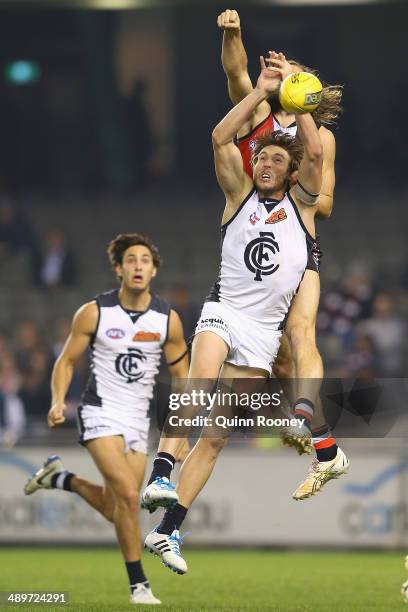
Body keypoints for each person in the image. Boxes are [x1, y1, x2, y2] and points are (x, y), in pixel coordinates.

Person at [143, 55, 348, 575]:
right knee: (198, 379)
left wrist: (303, 98)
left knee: (214, 437)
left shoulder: (302, 208)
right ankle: (163, 469)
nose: (266, 164)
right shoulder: (237, 197)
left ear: (293, 169)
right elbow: (218, 139)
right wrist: (260, 91)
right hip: (225, 312)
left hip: (262, 334)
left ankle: (167, 533)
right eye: (262, 159)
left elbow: (318, 155)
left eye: (278, 161)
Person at [217, 9, 346, 497]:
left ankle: (307, 420)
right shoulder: (256, 117)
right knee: (279, 363)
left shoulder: (320, 138)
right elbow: (235, 72)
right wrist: (234, 34)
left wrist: (303, 195)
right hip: (250, 239)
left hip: (296, 238)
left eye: (291, 72)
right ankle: (310, 434)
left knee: (301, 334)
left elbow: (326, 202)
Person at [24, 233, 189, 605]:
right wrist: (56, 400)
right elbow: (65, 361)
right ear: (118, 268)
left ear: (154, 270)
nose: (137, 266)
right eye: (130, 260)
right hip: (99, 412)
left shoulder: (168, 320)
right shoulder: (94, 312)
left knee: (120, 507)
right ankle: (139, 586)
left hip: (136, 420)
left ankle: (61, 478)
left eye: (145, 260)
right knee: (130, 498)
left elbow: (184, 378)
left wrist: (180, 425)